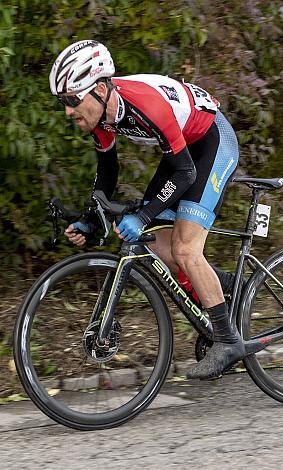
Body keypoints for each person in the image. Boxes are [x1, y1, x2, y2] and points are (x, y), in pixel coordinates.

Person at [50, 39, 242, 380]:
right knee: (159, 245)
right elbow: (107, 172)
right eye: (63, 102)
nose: (67, 110)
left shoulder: (146, 105)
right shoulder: (102, 119)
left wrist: (142, 215)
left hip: (211, 141)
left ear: (98, 89)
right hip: (181, 152)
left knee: (185, 248)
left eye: (71, 100)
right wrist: (90, 219)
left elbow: (187, 173)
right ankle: (225, 285)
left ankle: (228, 341)